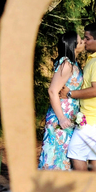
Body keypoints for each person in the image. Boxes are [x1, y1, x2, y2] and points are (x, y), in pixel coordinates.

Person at [63, 21, 96, 171]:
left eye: (87, 38)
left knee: (75, 152)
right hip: (95, 114)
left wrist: (70, 94)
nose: (84, 42)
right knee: (93, 155)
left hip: (94, 116)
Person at [38, 31, 82, 170]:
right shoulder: (66, 64)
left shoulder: (73, 63)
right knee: (55, 155)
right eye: (80, 42)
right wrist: (62, 118)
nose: (83, 43)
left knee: (63, 156)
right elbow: (52, 91)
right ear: (73, 46)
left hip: (69, 115)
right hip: (61, 116)